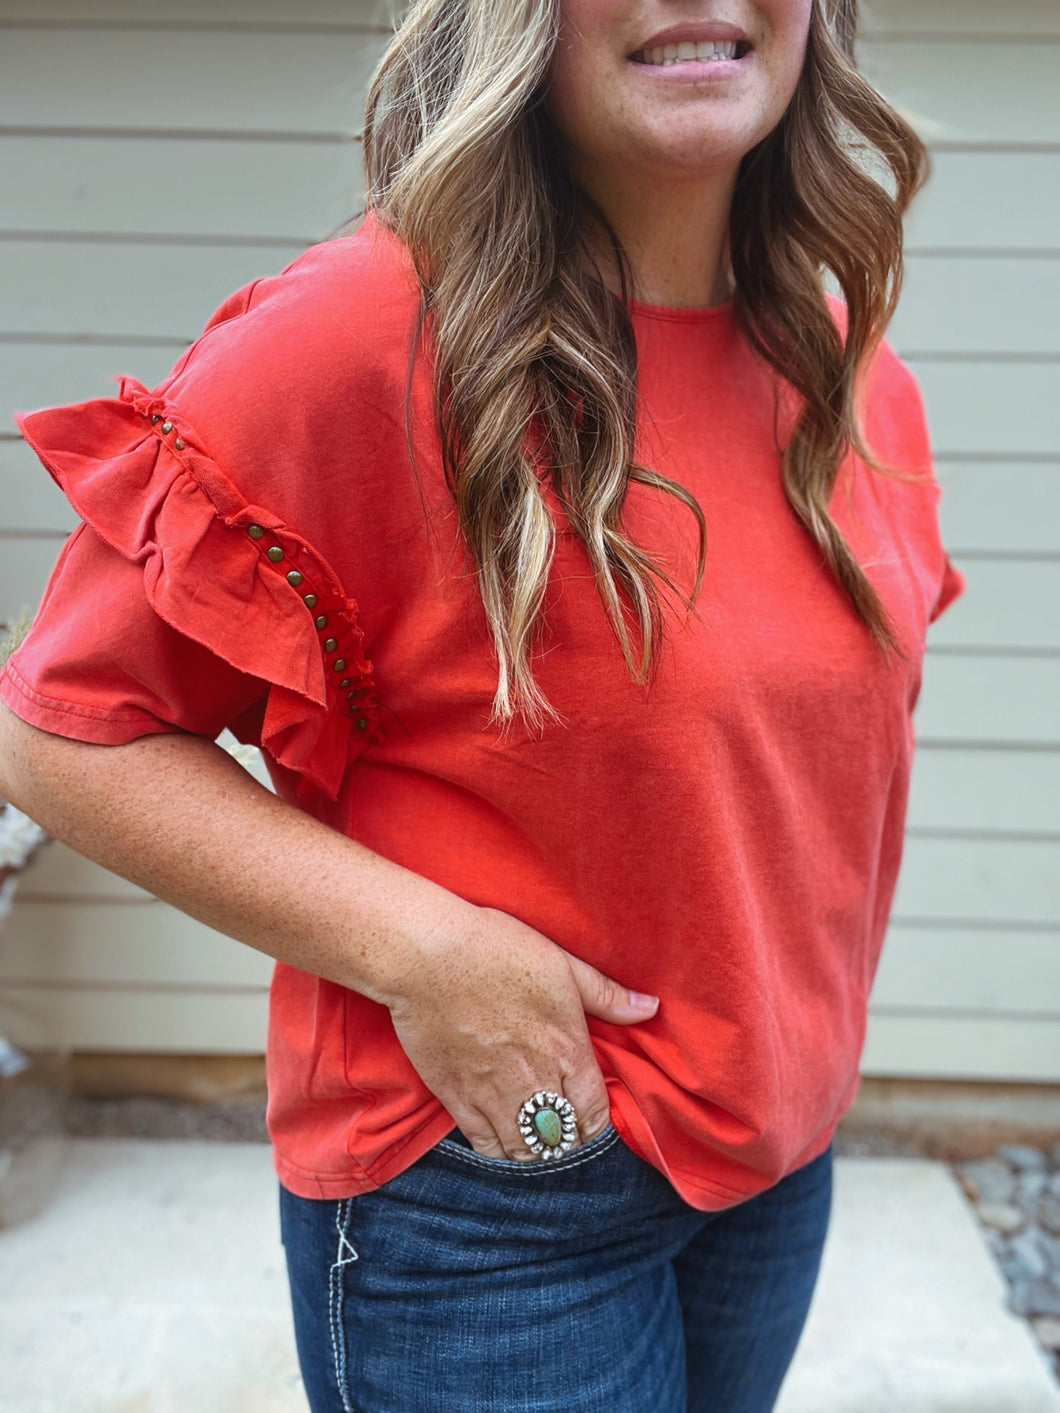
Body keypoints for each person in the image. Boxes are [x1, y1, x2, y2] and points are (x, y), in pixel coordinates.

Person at [0, 0, 966, 1408]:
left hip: (772, 1169)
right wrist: (431, 950)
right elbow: (60, 732)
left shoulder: (847, 362)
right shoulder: (365, 338)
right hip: (487, 1202)